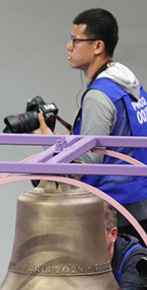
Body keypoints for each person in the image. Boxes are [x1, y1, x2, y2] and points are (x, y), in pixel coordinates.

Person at [34, 8, 147, 237]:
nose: (69, 46)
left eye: (75, 40)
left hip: (112, 210)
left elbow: (86, 163)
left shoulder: (99, 95)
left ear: (98, 46)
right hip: (138, 203)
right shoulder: (129, 85)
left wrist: (48, 144)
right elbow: (118, 139)